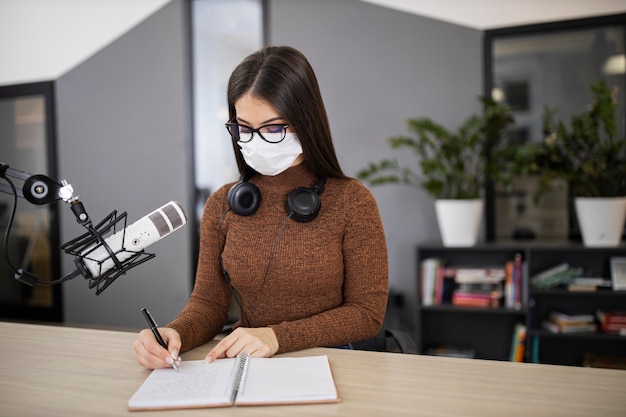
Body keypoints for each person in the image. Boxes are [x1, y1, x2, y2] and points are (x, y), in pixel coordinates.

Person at [133, 45, 388, 370]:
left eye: (272, 127)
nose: (255, 140)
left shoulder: (353, 201)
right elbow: (209, 304)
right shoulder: (222, 206)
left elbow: (367, 314)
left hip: (335, 366)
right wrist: (174, 333)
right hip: (253, 367)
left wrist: (277, 337)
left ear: (305, 121)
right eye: (243, 128)